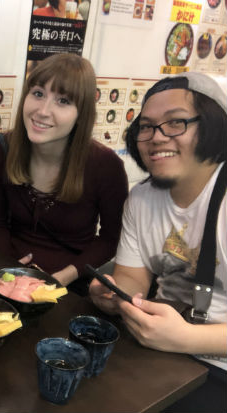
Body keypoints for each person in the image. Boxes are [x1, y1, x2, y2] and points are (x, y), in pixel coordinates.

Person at [89, 72, 227, 412]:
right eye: (146, 127)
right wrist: (112, 291)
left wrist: (187, 338)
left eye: (175, 122)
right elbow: (134, 277)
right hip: (155, 350)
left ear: (213, 127)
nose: (156, 137)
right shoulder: (141, 199)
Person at [0, 53, 128, 295]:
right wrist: (9, 271)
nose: (43, 111)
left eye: (63, 101)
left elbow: (111, 239)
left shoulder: (105, 166)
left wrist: (63, 277)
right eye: (38, 93)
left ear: (82, 113)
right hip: (9, 276)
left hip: (71, 282)